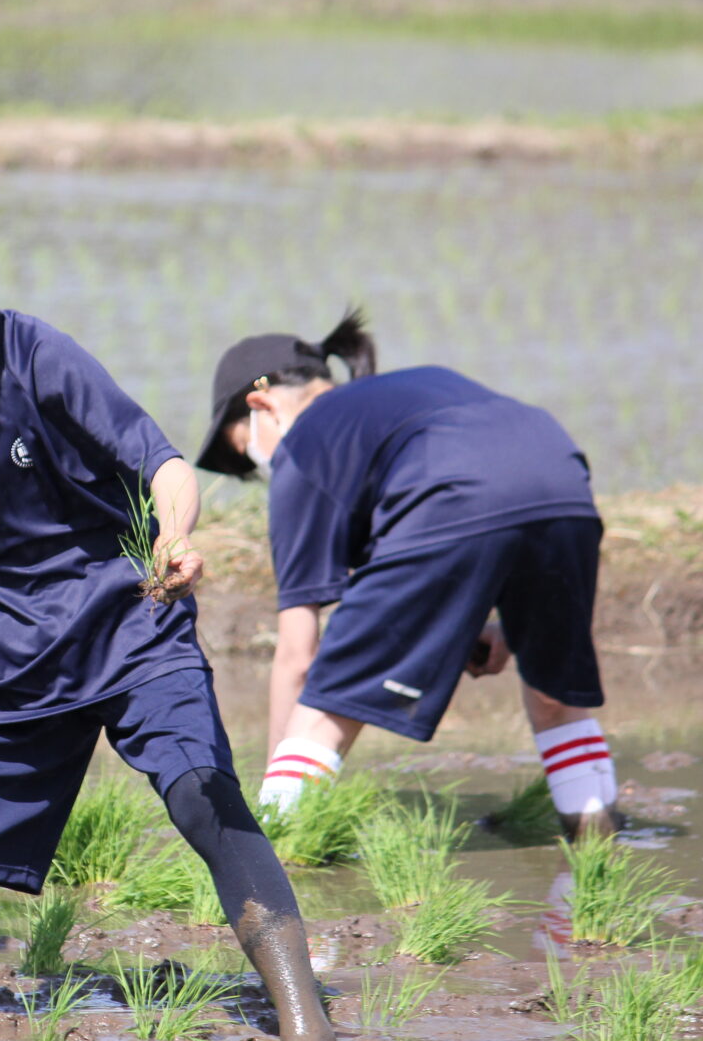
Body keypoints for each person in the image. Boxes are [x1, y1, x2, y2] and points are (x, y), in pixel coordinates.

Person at [0, 163, 339, 1041]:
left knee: (207, 802)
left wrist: (174, 535)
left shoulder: (39, 359)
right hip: (1, 671)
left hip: (129, 628)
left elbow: (162, 465)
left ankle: (308, 1031)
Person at [193, 313, 621, 839]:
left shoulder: (304, 445)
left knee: (329, 701)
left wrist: (274, 772)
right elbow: (497, 490)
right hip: (563, 483)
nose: (262, 470)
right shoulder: (403, 396)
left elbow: (298, 659)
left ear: (262, 407)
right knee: (556, 694)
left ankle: (276, 844)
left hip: (451, 498)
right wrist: (504, 624)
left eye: (246, 454)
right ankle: (597, 843)